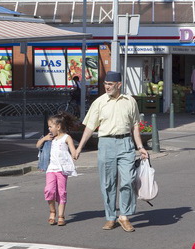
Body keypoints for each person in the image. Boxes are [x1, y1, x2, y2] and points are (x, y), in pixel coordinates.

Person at [74, 71, 149, 232]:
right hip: (106, 143)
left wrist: (140, 147)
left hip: (125, 143)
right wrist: (79, 147)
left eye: (110, 84)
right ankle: (110, 217)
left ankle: (124, 216)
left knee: (128, 180)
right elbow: (90, 127)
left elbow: (135, 125)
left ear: (119, 85)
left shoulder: (130, 101)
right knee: (108, 183)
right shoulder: (99, 102)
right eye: (105, 84)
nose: (107, 87)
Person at [36, 112, 77, 226]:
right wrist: (44, 139)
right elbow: (37, 145)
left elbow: (72, 150)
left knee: (61, 192)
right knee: (49, 190)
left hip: (62, 169)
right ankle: (52, 211)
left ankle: (61, 215)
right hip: (51, 169)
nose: (49, 128)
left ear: (58, 127)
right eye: (48, 126)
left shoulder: (66, 138)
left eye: (50, 126)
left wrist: (75, 154)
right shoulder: (49, 139)